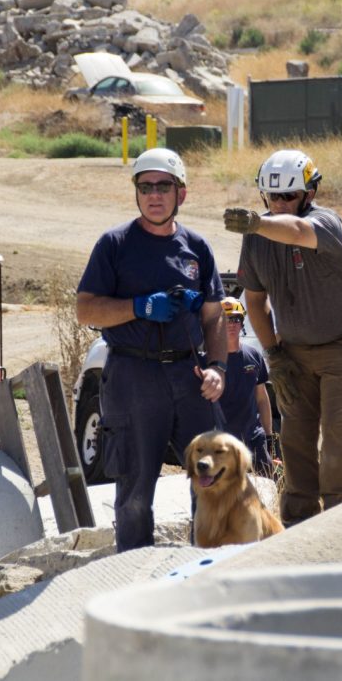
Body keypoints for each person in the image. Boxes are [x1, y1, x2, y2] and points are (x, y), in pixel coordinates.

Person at [77, 147, 227, 552]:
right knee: (136, 489)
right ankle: (133, 575)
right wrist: (139, 307)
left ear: (182, 193)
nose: (154, 194)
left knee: (211, 481)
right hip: (132, 377)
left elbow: (215, 317)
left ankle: (207, 569)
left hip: (188, 375)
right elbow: (85, 308)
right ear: (137, 192)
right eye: (145, 186)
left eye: (164, 186)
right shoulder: (115, 244)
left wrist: (217, 367)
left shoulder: (198, 248)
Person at [223, 149, 342, 526]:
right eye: (272, 197)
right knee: (295, 442)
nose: (279, 204)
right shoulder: (257, 237)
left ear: (309, 193)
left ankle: (339, 531)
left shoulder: (325, 223)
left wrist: (258, 223)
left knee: (339, 447)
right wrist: (275, 355)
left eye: (288, 196)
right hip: (295, 352)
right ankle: (297, 528)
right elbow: (256, 302)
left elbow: (296, 231)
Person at [218, 296, 275, 477]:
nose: (231, 324)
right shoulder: (207, 360)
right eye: (226, 319)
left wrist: (268, 437)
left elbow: (262, 399)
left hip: (253, 438)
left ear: (242, 322)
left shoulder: (254, 356)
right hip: (220, 440)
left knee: (268, 483)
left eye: (236, 319)